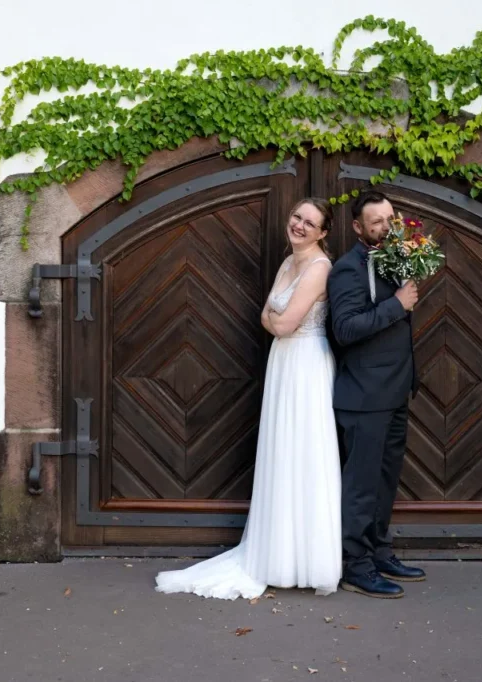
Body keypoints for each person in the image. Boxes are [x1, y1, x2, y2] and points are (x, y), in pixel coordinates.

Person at [154, 198, 341, 600]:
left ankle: (308, 560)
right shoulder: (288, 262)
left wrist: (278, 322)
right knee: (281, 453)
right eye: (297, 217)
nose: (300, 226)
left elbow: (286, 322)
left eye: (310, 223)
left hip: (307, 367)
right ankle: (277, 554)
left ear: (324, 232)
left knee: (305, 454)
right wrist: (277, 322)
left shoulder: (319, 268)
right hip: (284, 364)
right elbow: (266, 317)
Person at [326, 190, 426, 599]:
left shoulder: (398, 257)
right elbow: (345, 330)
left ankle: (380, 551)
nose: (387, 227)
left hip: (395, 391)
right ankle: (355, 565)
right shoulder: (347, 270)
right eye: (377, 222)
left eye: (390, 219)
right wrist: (398, 304)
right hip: (363, 396)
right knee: (361, 487)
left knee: (385, 483)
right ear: (357, 227)